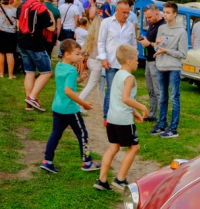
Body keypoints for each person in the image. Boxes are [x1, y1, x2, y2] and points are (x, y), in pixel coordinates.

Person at [39, 39, 98, 174]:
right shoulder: (71, 70)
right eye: (77, 54)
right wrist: (83, 104)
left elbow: (65, 82)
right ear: (67, 54)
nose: (80, 57)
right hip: (70, 109)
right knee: (82, 133)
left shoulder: (60, 66)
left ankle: (47, 161)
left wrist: (79, 80)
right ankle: (87, 162)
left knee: (56, 134)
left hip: (57, 107)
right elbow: (68, 91)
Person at [95, 44, 148, 191]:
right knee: (135, 147)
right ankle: (120, 179)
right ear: (129, 61)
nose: (138, 62)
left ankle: (102, 180)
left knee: (113, 147)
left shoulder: (118, 74)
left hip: (112, 118)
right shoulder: (129, 78)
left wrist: (134, 113)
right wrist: (142, 107)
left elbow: (118, 98)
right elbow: (125, 98)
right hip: (123, 120)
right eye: (137, 60)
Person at [150, 1, 187, 138]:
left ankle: (173, 129)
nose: (164, 15)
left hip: (173, 68)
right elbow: (157, 48)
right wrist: (157, 45)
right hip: (161, 66)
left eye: (167, 13)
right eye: (163, 12)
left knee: (174, 98)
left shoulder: (181, 31)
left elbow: (183, 54)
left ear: (175, 14)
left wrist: (167, 50)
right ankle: (161, 124)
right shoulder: (161, 28)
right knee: (163, 97)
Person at [97, 0, 135, 122]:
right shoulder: (106, 23)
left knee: (124, 92)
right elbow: (101, 42)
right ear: (116, 11)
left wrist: (133, 60)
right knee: (111, 90)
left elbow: (133, 44)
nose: (126, 15)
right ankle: (106, 117)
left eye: (128, 13)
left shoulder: (130, 26)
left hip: (126, 65)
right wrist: (103, 58)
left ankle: (120, 115)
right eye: (124, 12)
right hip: (111, 63)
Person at [17, 0, 55, 112]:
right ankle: (32, 97)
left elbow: (19, 24)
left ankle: (29, 103)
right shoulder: (40, 8)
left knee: (29, 72)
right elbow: (51, 28)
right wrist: (51, 15)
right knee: (47, 72)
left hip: (22, 41)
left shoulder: (23, 6)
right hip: (35, 44)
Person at [138, 3, 164, 122]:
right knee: (151, 90)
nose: (147, 20)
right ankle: (152, 114)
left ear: (157, 14)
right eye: (146, 18)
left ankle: (162, 117)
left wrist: (149, 44)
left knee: (158, 91)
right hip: (148, 60)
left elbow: (163, 46)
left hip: (157, 61)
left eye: (149, 17)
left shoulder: (162, 26)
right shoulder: (152, 25)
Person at [0, 0, 17, 78]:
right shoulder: (14, 10)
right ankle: (10, 75)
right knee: (10, 54)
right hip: (11, 33)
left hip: (0, 31)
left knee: (1, 53)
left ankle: (1, 73)